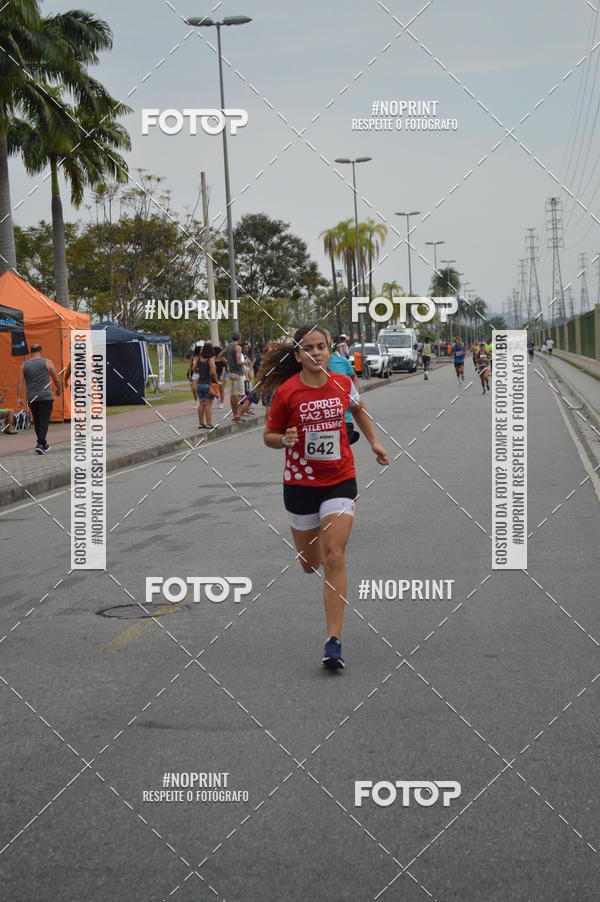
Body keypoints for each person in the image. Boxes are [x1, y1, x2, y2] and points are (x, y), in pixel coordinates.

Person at [259, 325, 389, 670]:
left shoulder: (342, 383)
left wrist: (374, 441)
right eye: (309, 348)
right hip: (300, 485)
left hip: (339, 479)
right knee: (309, 563)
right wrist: (282, 440)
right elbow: (268, 435)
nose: (316, 352)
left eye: (321, 347)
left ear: (331, 351)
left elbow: (359, 409)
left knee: (334, 553)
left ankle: (334, 640)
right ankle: (312, 553)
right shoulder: (287, 393)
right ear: (298, 354)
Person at [17, 343, 61, 453]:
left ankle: (44, 443)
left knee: (37, 421)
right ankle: (40, 444)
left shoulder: (24, 365)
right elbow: (56, 378)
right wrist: (58, 389)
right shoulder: (47, 362)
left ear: (31, 352)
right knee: (44, 421)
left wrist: (19, 397)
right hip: (46, 396)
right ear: (41, 351)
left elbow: (20, 382)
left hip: (32, 397)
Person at [328, 335, 360, 445]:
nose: (316, 352)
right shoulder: (310, 367)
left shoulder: (342, 361)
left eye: (321, 346)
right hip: (320, 425)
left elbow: (354, 376)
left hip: (344, 421)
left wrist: (355, 394)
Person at [219, 332, 244, 423]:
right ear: (239, 338)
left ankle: (235, 414)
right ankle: (237, 414)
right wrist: (243, 362)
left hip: (231, 372)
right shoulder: (238, 347)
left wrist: (227, 362)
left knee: (233, 394)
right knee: (238, 394)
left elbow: (219, 356)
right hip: (238, 372)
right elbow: (238, 361)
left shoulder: (228, 346)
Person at [195, 342, 218, 429]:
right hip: (208, 384)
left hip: (199, 384)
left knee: (201, 404)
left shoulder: (199, 359)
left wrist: (200, 371)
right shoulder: (211, 359)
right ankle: (209, 424)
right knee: (208, 404)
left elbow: (193, 368)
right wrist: (217, 381)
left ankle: (201, 424)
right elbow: (213, 372)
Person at [188, 344, 202, 408]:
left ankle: (200, 401)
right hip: (195, 374)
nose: (202, 350)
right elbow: (190, 366)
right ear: (198, 350)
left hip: (201, 374)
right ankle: (196, 401)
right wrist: (190, 374)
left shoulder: (202, 357)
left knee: (200, 389)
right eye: (201, 349)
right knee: (193, 388)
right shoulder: (193, 357)